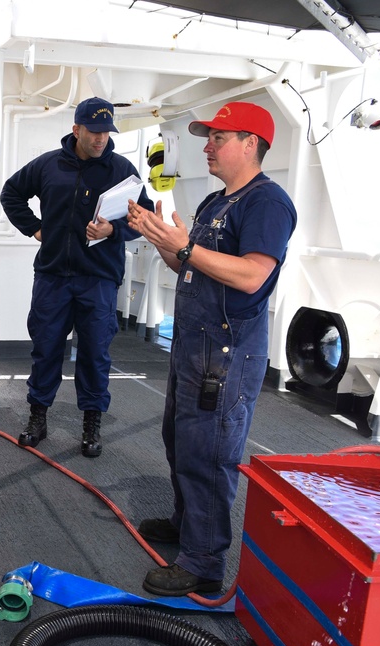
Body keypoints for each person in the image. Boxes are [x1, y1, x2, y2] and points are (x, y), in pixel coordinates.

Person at [127, 102, 297, 597]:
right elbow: (191, 266)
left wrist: (183, 248)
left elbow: (252, 274)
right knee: (180, 440)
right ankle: (187, 527)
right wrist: (159, 238)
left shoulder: (266, 203)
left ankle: (203, 562)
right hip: (192, 345)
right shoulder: (215, 202)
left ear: (251, 144)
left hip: (226, 352)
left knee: (210, 453)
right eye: (208, 137)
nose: (207, 145)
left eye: (218, 138)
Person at [1, 97, 154, 458]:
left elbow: (143, 217)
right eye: (94, 131)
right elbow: (11, 192)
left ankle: (91, 424)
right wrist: (34, 229)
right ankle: (38, 418)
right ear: (76, 129)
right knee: (46, 348)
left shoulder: (121, 170)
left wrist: (112, 232)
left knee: (95, 353)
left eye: (106, 132)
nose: (101, 139)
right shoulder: (49, 166)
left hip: (98, 279)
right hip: (53, 275)